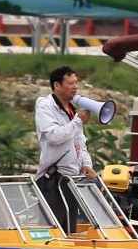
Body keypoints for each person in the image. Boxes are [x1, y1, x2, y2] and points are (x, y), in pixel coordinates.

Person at [35, 66, 98, 233]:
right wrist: (78, 122)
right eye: (70, 83)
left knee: (69, 229)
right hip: (52, 178)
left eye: (76, 82)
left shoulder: (71, 111)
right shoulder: (45, 108)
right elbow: (54, 137)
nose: (75, 87)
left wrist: (86, 163)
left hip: (71, 179)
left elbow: (80, 142)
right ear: (57, 85)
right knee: (52, 230)